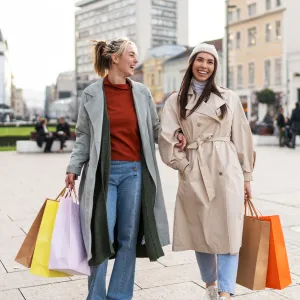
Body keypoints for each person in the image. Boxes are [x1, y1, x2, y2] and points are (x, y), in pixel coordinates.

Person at [65, 37, 186, 300]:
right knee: (100, 236)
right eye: (131, 55)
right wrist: (73, 167)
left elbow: (154, 129)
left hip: (134, 173)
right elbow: (84, 135)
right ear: (115, 58)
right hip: (103, 175)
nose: (135, 60)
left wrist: (175, 135)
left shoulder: (141, 92)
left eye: (136, 55)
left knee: (128, 238)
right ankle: (95, 296)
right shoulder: (92, 93)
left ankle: (119, 296)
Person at [158, 43, 255, 300]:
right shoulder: (175, 100)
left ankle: (226, 292)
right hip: (195, 168)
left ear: (216, 67)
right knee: (200, 230)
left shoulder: (229, 97)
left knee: (229, 230)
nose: (204, 66)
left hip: (226, 166)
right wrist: (184, 166)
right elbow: (166, 137)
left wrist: (246, 176)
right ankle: (210, 285)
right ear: (191, 64)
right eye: (199, 60)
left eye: (210, 62)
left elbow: (242, 136)